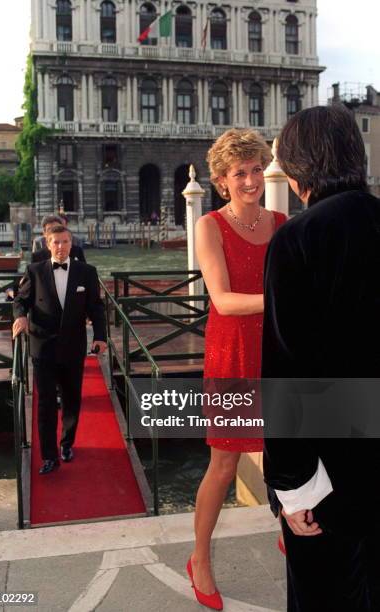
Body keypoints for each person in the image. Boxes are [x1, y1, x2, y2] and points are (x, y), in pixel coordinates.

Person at [262, 105, 380, 611]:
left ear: (295, 169)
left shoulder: (298, 238)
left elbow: (288, 373)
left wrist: (293, 489)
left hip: (335, 477)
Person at [187, 129, 287, 610]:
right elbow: (223, 300)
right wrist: (285, 301)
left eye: (255, 169)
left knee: (288, 444)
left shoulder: (284, 222)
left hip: (276, 350)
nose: (250, 180)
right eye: (239, 173)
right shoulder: (208, 226)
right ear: (222, 181)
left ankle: (289, 522)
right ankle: (200, 558)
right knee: (224, 463)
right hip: (232, 353)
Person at [13, 224, 107, 475]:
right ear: (48, 244)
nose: (61, 247)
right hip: (42, 346)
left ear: (71, 243)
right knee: (44, 403)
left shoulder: (86, 272)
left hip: (73, 346)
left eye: (65, 242)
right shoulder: (34, 271)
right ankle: (49, 456)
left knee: (72, 399)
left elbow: (96, 308)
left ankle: (67, 444)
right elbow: (20, 300)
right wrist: (21, 317)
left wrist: (101, 336)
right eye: (56, 242)